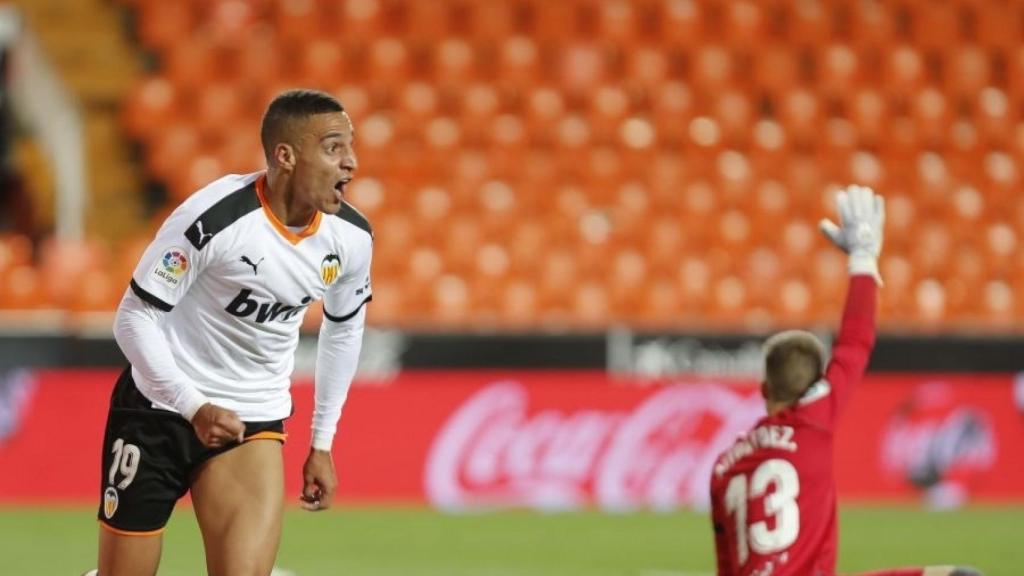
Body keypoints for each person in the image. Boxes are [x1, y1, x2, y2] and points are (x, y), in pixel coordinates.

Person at [88, 89, 373, 576]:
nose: (350, 162)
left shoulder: (351, 239)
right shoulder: (214, 220)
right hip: (159, 408)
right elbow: (133, 317)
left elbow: (343, 334)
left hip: (250, 421)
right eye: (332, 147)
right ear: (285, 155)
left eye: (350, 146)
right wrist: (192, 404)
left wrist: (322, 442)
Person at [708, 186, 980, 576]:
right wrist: (863, 258)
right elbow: (855, 340)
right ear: (814, 387)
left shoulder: (723, 467)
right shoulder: (814, 420)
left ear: (765, 389)